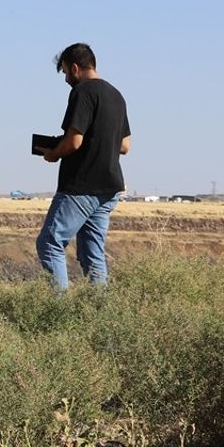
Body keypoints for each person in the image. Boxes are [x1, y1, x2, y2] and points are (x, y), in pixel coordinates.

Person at [34, 42, 131, 289]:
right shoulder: (116, 95)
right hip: (109, 188)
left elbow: (74, 142)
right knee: (92, 252)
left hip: (82, 186)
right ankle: (98, 313)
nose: (66, 78)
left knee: (50, 242)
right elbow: (124, 146)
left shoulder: (83, 92)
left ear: (75, 68)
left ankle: (59, 311)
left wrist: (54, 153)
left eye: (66, 72)